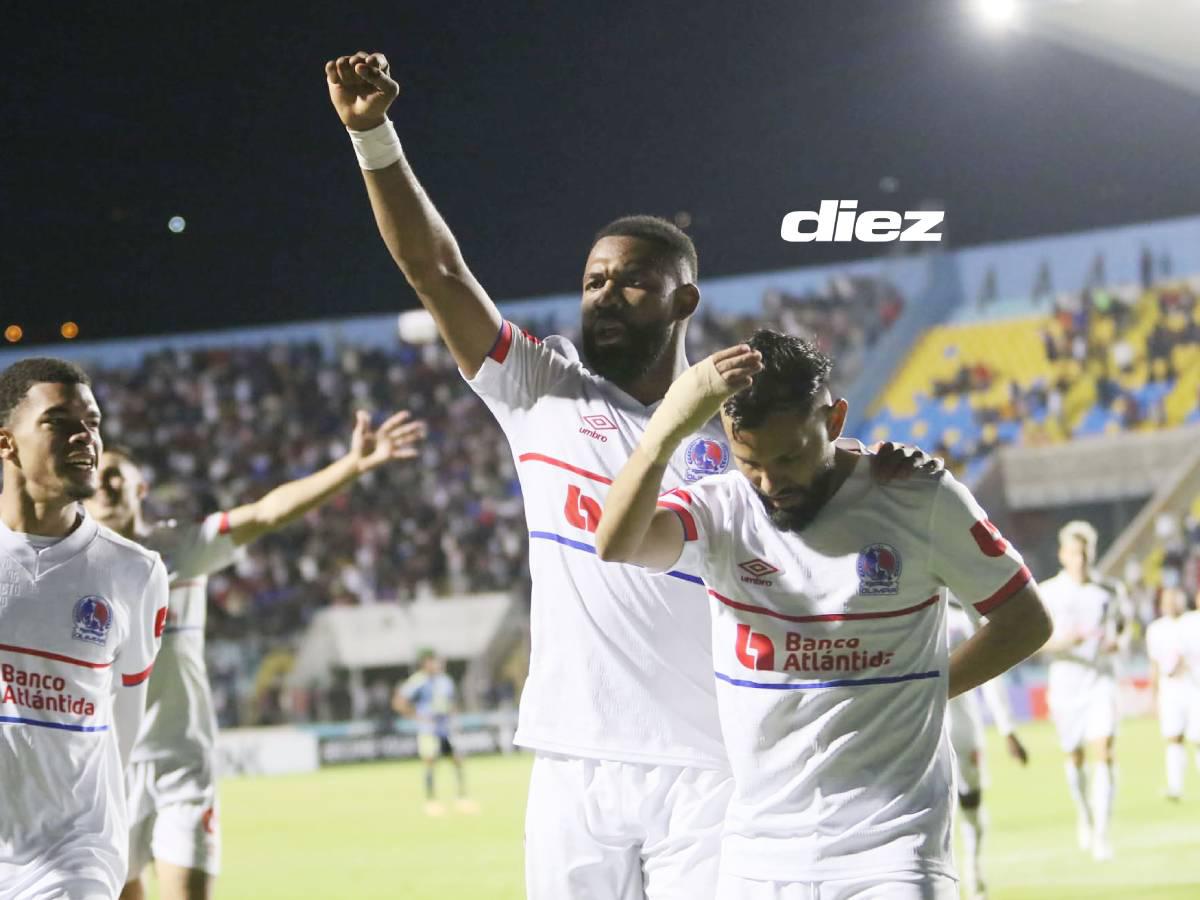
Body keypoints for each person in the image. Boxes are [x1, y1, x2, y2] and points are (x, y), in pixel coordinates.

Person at [326, 50, 938, 899]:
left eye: (634, 282)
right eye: (594, 280)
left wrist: (892, 471)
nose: (606, 293)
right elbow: (437, 272)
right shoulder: (539, 387)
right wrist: (373, 138)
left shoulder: (744, 428)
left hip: (713, 766)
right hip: (573, 760)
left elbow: (840, 517)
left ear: (685, 301)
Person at [595, 332, 1052, 898]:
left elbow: (1027, 620)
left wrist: (928, 687)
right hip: (757, 855)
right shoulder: (721, 508)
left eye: (790, 457)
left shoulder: (916, 497)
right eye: (750, 462)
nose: (770, 483)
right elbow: (616, 542)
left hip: (893, 850)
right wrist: (664, 433)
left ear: (834, 421)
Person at [84, 409, 425, 900]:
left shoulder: (182, 545)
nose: (105, 482)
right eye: (97, 474)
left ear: (141, 487)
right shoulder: (75, 565)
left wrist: (351, 466)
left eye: (117, 473)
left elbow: (267, 512)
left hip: (183, 765)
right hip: (109, 768)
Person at [0, 357, 169, 899]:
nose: (85, 436)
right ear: (6, 443)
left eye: (92, 422)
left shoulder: (135, 572)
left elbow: (126, 716)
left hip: (73, 854)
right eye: (59, 422)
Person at [1039, 520, 1129, 860]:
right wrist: (1064, 642)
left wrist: (1118, 643)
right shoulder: (1049, 592)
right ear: (1063, 554)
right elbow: (1036, 642)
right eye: (1075, 553)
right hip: (1065, 682)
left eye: (1086, 553)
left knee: (1104, 749)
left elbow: (1123, 628)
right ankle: (1086, 815)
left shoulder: (1110, 590)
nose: (1081, 560)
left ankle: (1102, 833)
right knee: (1074, 757)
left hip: (1100, 680)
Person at [946, 595, 1029, 900]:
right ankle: (944, 873)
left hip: (963, 724)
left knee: (971, 798)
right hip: (920, 724)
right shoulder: (908, 607)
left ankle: (974, 866)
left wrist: (1007, 728)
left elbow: (991, 673)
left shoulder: (965, 614)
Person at [393, 649, 474, 815]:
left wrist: (454, 718)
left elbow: (451, 702)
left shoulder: (445, 681)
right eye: (433, 661)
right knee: (430, 762)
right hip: (428, 729)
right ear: (425, 663)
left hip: (445, 728)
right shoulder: (418, 681)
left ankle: (462, 797)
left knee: (457, 760)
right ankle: (431, 801)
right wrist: (416, 716)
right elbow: (399, 701)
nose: (437, 664)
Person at [1145, 585, 1199, 800]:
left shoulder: (1194, 621)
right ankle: (1175, 786)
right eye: (1167, 600)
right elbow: (1154, 664)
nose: (1171, 604)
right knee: (1173, 737)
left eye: (1175, 599)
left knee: (1198, 738)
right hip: (1170, 691)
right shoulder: (1156, 629)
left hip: (1195, 688)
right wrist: (1154, 695)